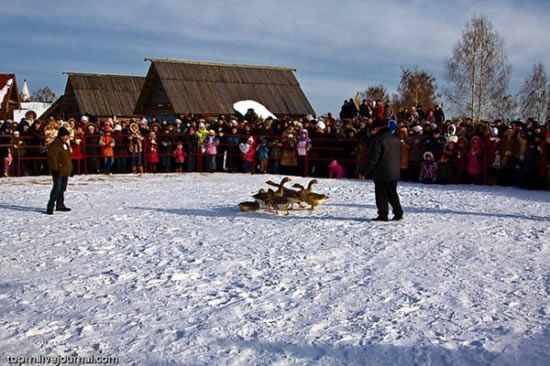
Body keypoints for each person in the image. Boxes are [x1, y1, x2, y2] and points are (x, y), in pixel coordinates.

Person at [360, 119, 403, 221]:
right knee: (392, 193)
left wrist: (363, 172)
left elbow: (373, 158)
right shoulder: (396, 139)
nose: (372, 131)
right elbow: (400, 156)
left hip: (382, 172)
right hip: (394, 171)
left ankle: (383, 214)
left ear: (377, 128)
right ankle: (398, 212)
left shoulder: (377, 139)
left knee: (381, 194)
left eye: (373, 129)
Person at [46, 127, 73, 215]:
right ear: (61, 136)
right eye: (65, 136)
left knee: (62, 188)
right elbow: (53, 158)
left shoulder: (66, 144)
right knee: (57, 188)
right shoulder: (54, 145)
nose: (67, 138)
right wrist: (55, 169)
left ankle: (60, 205)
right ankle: (50, 206)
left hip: (65, 170)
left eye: (67, 136)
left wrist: (71, 169)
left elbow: (68, 158)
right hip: (58, 170)